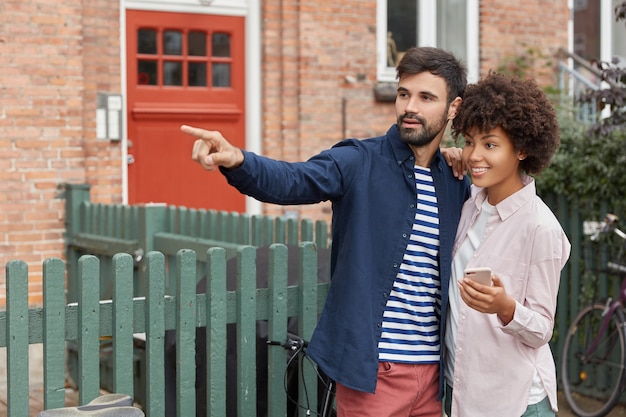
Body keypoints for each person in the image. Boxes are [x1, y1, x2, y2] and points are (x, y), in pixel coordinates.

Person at [183, 46, 470, 417]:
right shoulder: (358, 161)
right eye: (403, 94)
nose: (409, 107)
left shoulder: (455, 181)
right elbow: (293, 180)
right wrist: (238, 160)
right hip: (373, 375)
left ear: (454, 108)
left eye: (426, 97)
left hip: (433, 376)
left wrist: (466, 156)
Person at [444, 72, 571, 417]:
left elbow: (542, 328)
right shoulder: (471, 204)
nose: (474, 155)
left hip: (515, 402)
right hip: (460, 390)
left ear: (522, 149)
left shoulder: (540, 227)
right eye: (469, 142)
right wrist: (451, 156)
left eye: (490, 144)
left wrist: (506, 307)